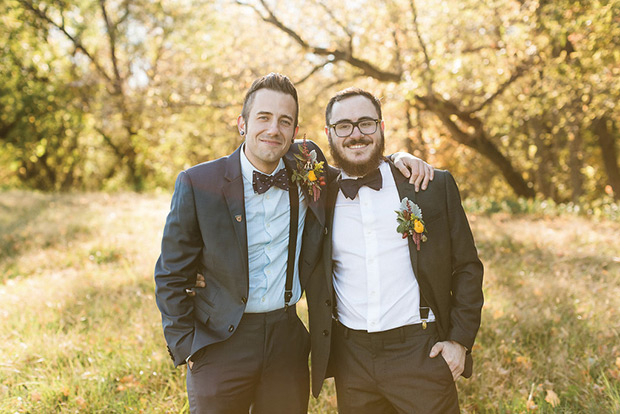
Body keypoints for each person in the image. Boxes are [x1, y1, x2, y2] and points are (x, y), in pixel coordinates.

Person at [154, 73, 433, 414]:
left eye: (285, 121)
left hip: (287, 338)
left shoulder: (307, 163)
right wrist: (188, 346)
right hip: (219, 340)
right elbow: (170, 274)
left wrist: (398, 159)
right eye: (264, 118)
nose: (274, 129)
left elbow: (355, 165)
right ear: (242, 123)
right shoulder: (198, 182)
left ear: (296, 132)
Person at [305, 87, 484, 413]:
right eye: (343, 126)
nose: (356, 134)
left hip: (421, 352)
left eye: (366, 123)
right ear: (328, 134)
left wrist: (459, 342)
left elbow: (468, 267)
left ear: (382, 127)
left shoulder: (429, 186)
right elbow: (269, 150)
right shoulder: (318, 195)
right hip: (352, 359)